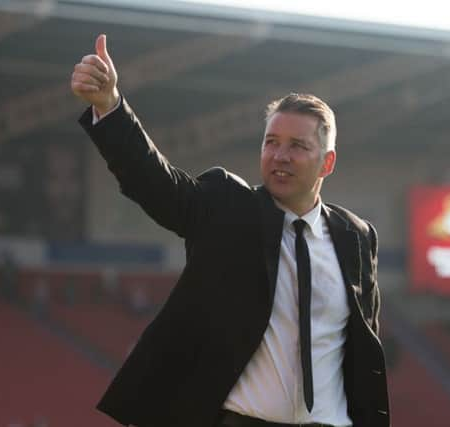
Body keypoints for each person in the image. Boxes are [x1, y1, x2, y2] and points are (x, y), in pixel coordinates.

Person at [71, 34, 390, 427]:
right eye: (271, 142)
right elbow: (155, 183)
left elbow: (361, 350)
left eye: (297, 146)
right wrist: (109, 105)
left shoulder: (356, 237)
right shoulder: (229, 208)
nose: (280, 156)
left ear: (327, 163)